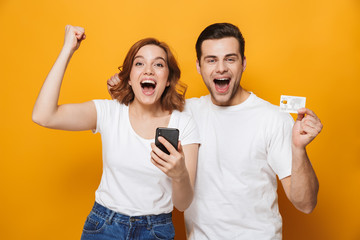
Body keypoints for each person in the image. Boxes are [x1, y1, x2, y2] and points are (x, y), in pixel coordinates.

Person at [107, 23, 322, 239]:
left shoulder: (273, 118)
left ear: (243, 63)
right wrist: (124, 89)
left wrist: (299, 149)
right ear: (199, 67)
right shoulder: (183, 114)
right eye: (211, 60)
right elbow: (144, 107)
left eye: (230, 59)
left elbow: (305, 204)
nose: (221, 68)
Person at [32, 25, 200, 240]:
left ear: (168, 79)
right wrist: (67, 49)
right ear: (129, 77)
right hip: (103, 227)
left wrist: (179, 174)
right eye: (139, 63)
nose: (148, 70)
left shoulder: (183, 124)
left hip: (156, 231)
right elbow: (43, 116)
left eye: (158, 64)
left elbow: (182, 203)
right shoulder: (109, 112)